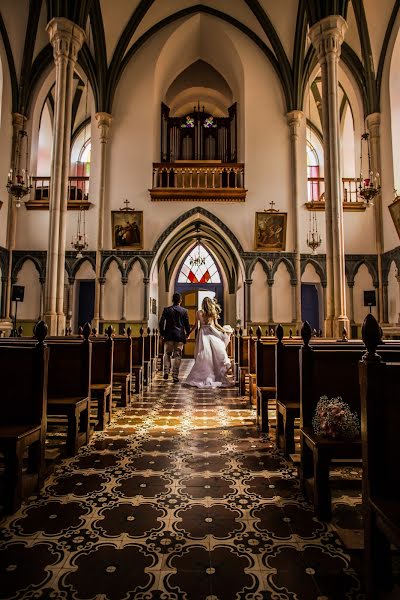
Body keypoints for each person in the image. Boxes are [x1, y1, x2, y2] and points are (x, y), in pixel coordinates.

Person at [185, 297, 233, 388]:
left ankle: (203, 374)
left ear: (203, 304)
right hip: (211, 333)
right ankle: (214, 373)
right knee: (213, 354)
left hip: (202, 333)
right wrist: (224, 331)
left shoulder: (199, 312)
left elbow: (195, 326)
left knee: (203, 354)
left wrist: (188, 334)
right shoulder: (212, 312)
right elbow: (216, 325)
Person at [159, 292, 191, 383]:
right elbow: (186, 325)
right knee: (177, 355)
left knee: (167, 354)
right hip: (179, 336)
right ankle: (175, 375)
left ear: (172, 300)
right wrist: (187, 334)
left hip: (169, 335)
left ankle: (166, 371)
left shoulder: (167, 310)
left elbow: (161, 322)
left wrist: (162, 333)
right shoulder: (184, 311)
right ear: (180, 300)